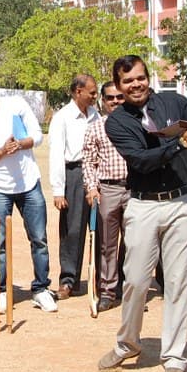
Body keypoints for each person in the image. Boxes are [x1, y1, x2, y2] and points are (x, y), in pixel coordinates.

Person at [97, 55, 187, 372]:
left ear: (149, 78)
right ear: (118, 86)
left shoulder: (173, 101)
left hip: (182, 203)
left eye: (140, 78)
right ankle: (128, 344)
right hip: (143, 205)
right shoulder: (116, 123)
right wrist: (179, 144)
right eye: (127, 81)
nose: (136, 85)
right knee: (134, 280)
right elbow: (141, 161)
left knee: (177, 282)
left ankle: (174, 357)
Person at [0, 70, 56, 313]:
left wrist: (20, 144)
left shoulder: (15, 104)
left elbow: (36, 136)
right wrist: (2, 151)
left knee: (39, 240)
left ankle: (41, 289)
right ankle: (0, 289)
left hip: (29, 184)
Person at [49, 74, 99, 300]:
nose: (95, 96)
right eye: (92, 92)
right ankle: (69, 280)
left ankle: (100, 280)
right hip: (74, 174)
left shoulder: (96, 115)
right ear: (78, 92)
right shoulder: (63, 117)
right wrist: (58, 190)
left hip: (98, 173)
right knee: (73, 229)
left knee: (100, 228)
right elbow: (56, 154)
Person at [81, 81, 128, 312]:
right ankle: (108, 290)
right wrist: (91, 187)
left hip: (135, 190)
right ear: (103, 100)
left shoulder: (139, 124)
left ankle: (129, 291)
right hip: (108, 190)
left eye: (120, 97)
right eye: (111, 98)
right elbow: (88, 161)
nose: (116, 102)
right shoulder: (95, 128)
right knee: (108, 245)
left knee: (134, 243)